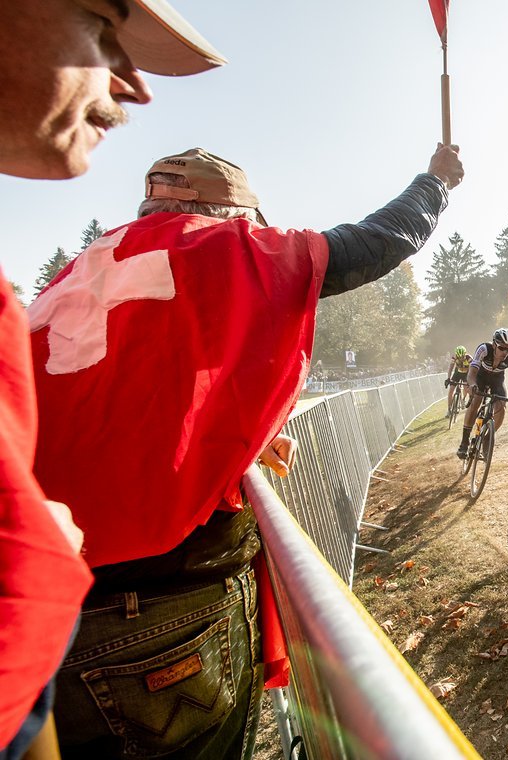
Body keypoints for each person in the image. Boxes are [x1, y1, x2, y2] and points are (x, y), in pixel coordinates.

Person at [28, 144, 463, 758]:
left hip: (38, 616)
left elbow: (145, 390)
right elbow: (378, 240)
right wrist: (436, 185)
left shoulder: (77, 271)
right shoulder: (222, 247)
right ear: (228, 211)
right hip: (161, 611)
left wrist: (246, 436)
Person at [0, 3, 224, 757]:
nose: (136, 86)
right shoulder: (205, 259)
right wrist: (434, 186)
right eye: (103, 27)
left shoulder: (78, 271)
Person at [457, 328, 508, 459]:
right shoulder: (483, 349)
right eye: (502, 348)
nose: (505, 352)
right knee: (476, 402)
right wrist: (473, 385)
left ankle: (487, 439)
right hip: (480, 377)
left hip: (497, 380)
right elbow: (471, 374)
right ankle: (465, 441)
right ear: (494, 344)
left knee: (502, 408)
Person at [445, 345, 473, 411]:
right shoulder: (454, 357)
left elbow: (472, 369)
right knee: (450, 391)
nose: (460, 358)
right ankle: (449, 409)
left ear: (465, 354)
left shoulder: (469, 358)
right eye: (459, 357)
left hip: (466, 374)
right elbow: (450, 368)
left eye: (462, 356)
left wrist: (471, 380)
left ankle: (464, 399)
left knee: (466, 388)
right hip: (457, 373)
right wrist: (448, 378)